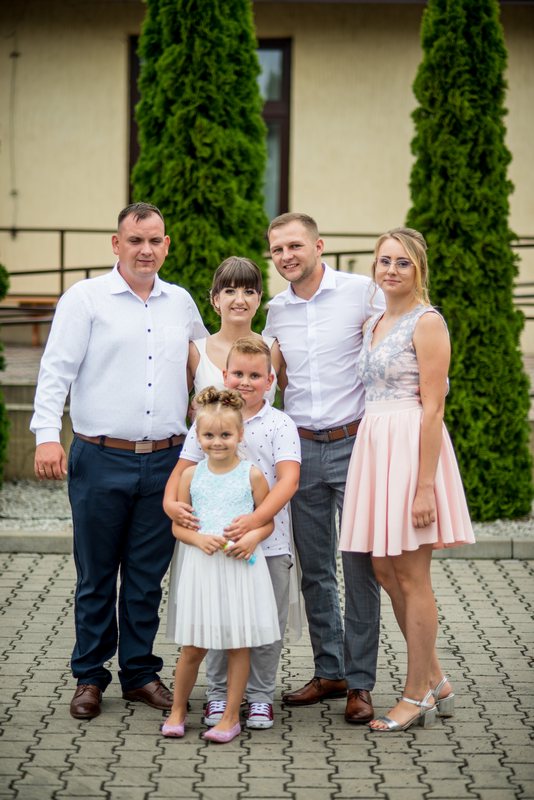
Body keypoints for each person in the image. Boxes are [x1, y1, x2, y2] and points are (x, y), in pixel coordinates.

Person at [30, 202, 207, 720]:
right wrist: (46, 436)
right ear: (116, 244)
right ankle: (89, 676)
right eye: (135, 240)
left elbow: (204, 365)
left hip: (167, 462)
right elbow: (55, 371)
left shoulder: (181, 302)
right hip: (100, 457)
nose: (145, 250)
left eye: (154, 241)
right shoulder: (85, 299)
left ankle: (139, 674)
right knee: (96, 575)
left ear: (166, 246)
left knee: (147, 578)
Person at [339, 227, 475, 732]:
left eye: (402, 262)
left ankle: (416, 694)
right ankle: (436, 677)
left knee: (413, 576)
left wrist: (424, 487)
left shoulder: (428, 322)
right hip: (375, 445)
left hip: (411, 446)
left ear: (418, 269)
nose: (391, 270)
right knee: (383, 569)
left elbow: (434, 408)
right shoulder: (375, 321)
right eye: (384, 261)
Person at [264, 212, 385, 724]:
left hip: (357, 443)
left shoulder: (361, 293)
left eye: (295, 246)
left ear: (319, 246)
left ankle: (360, 684)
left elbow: (396, 343)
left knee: (359, 567)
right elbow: (266, 376)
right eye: (277, 250)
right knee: (314, 569)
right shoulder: (276, 311)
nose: (286, 256)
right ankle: (329, 670)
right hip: (302, 450)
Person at [164, 337, 301, 730]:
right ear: (225, 375)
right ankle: (219, 694)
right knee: (217, 622)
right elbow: (183, 473)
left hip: (266, 544)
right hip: (212, 548)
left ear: (270, 380)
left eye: (255, 375)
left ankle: (259, 697)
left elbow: (288, 481)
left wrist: (256, 525)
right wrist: (170, 505)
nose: (245, 381)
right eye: (238, 373)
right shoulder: (209, 420)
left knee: (264, 626)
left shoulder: (280, 424)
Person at [188, 256, 281, 403]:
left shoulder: (274, 349)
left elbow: (292, 401)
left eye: (249, 292)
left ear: (258, 299)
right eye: (230, 291)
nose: (239, 300)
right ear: (216, 299)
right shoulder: (196, 351)